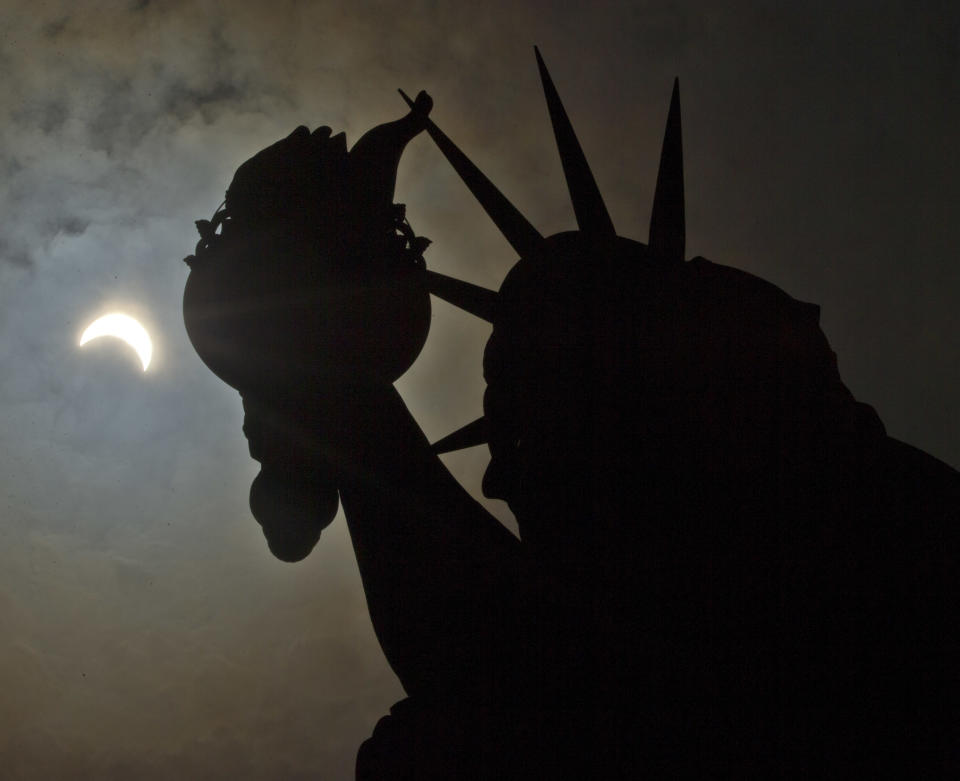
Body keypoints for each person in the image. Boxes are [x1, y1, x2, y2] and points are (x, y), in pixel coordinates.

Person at [184, 58, 959, 779]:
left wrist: (334, 392)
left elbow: (523, 663)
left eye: (518, 424)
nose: (495, 474)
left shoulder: (836, 592)